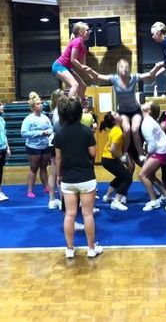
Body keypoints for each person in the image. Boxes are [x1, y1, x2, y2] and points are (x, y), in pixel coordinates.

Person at [54, 96, 103, 259]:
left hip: (68, 178)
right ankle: (91, 248)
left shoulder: (59, 133)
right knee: (87, 214)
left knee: (70, 214)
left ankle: (69, 249)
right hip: (86, 177)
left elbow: (58, 158)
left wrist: (59, 175)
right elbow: (93, 153)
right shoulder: (86, 130)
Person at [90, 58, 159, 163]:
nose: (125, 69)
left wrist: (157, 67)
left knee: (134, 129)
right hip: (123, 111)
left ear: (129, 69)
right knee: (126, 129)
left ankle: (140, 154)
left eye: (127, 67)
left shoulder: (134, 77)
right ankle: (124, 153)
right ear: (118, 68)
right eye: (122, 67)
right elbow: (98, 77)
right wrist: (89, 70)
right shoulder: (114, 79)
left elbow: (149, 75)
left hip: (135, 109)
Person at [21, 92, 53, 198]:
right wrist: (40, 133)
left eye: (41, 103)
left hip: (45, 146)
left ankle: (46, 187)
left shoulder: (45, 117)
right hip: (33, 147)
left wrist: (48, 132)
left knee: (44, 168)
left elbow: (51, 128)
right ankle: (30, 190)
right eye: (38, 104)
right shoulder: (28, 119)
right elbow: (24, 133)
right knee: (33, 168)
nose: (41, 105)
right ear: (33, 107)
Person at [140, 101, 166, 212]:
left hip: (160, 151)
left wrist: (147, 156)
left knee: (142, 175)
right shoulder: (149, 121)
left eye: (148, 103)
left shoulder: (147, 123)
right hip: (163, 150)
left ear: (150, 110)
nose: (145, 103)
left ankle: (153, 201)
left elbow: (152, 145)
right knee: (151, 175)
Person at [100, 111, 133, 211]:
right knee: (127, 177)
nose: (118, 114)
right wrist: (121, 158)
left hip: (107, 159)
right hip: (110, 159)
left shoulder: (116, 129)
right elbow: (113, 149)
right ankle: (117, 201)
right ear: (114, 121)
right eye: (115, 115)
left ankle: (108, 196)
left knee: (120, 176)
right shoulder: (117, 131)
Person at [52, 21, 93, 99]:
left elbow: (83, 65)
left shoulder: (84, 47)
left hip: (67, 68)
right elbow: (73, 60)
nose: (89, 32)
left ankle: (81, 105)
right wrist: (85, 69)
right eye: (87, 30)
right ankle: (69, 106)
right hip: (58, 66)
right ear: (81, 32)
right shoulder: (76, 41)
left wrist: (90, 73)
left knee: (83, 86)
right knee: (75, 85)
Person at [0, 102, 11, 201]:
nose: (2, 107)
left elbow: (4, 134)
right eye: (0, 105)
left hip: (2, 148)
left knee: (0, 170)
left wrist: (7, 147)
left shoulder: (2, 120)